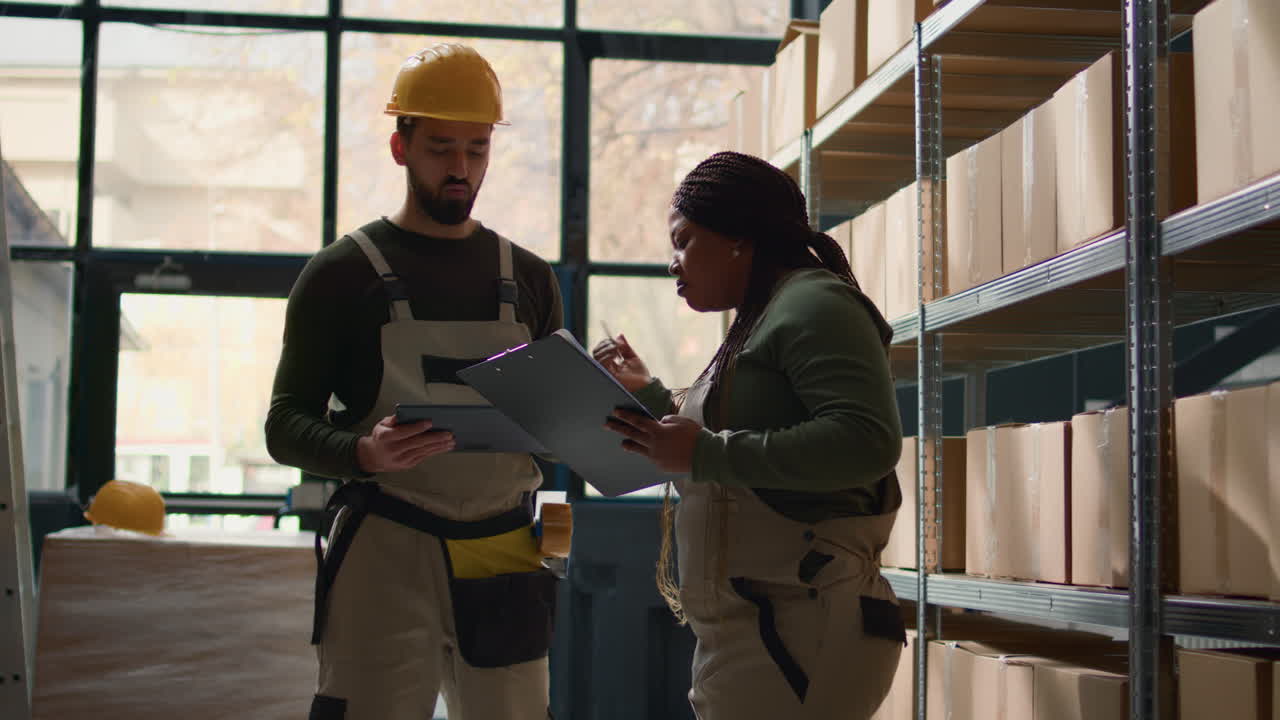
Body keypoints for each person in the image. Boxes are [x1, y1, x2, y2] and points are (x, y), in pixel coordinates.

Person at [265, 43, 563, 720]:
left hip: (504, 546)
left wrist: (594, 409)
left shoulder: (532, 281)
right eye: (440, 148)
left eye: (477, 149)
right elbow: (285, 423)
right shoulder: (341, 274)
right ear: (401, 147)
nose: (461, 169)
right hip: (387, 540)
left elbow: (551, 431)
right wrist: (361, 453)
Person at [594, 151, 906, 720]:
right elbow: (738, 437)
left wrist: (704, 452)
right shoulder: (761, 318)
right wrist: (655, 399)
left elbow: (867, 440)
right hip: (760, 630)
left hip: (801, 630)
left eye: (683, 241)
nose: (673, 263)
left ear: (738, 237)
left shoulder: (815, 304)